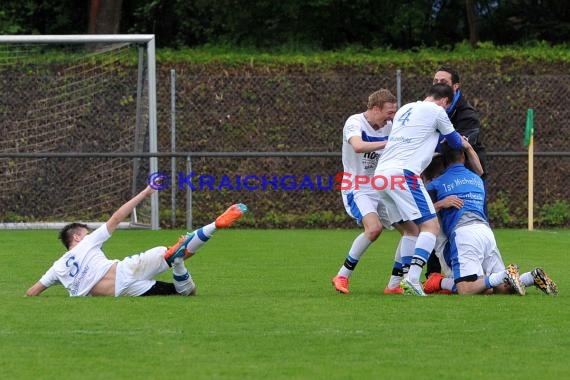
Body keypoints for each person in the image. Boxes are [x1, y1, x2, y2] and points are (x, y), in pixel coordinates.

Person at [26, 181, 248, 297]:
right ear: (76, 236)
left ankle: (178, 259)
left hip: (121, 293)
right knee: (183, 280)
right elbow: (116, 217)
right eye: (86, 231)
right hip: (127, 270)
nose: (89, 234)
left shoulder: (56, 269)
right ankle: (211, 228)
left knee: (185, 292)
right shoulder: (86, 243)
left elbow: (32, 292)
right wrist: (145, 193)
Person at [423, 142, 558, 295]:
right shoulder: (477, 180)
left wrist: (440, 203)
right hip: (485, 232)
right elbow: (479, 170)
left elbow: (421, 214)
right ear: (463, 156)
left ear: (444, 159)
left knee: (466, 289)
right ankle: (531, 278)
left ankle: (439, 281)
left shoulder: (437, 183)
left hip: (464, 234)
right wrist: (467, 147)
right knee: (498, 288)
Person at [374, 83, 464, 296]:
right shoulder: (437, 111)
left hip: (381, 174)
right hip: (404, 173)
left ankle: (395, 284)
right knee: (430, 227)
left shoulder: (405, 108)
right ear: (445, 101)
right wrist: (462, 142)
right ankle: (413, 279)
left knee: (410, 230)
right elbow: (455, 141)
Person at [331, 89, 398, 294]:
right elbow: (358, 146)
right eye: (389, 112)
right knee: (374, 229)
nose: (392, 116)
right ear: (375, 109)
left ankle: (395, 285)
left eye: (394, 112)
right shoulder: (355, 122)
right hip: (357, 186)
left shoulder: (390, 126)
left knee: (412, 230)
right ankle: (342, 276)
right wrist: (389, 143)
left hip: (382, 185)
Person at [427, 65, 488, 279]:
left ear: (455, 86)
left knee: (471, 222)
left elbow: (458, 145)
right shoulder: (428, 106)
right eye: (435, 81)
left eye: (443, 82)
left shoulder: (467, 114)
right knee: (430, 219)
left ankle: (477, 273)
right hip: (437, 172)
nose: (438, 85)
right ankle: (433, 274)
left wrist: (431, 145)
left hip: (467, 171)